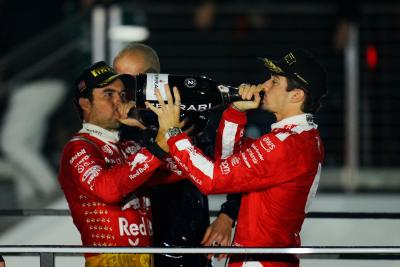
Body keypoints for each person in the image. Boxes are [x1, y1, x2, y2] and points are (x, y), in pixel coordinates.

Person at [147, 48, 327, 267]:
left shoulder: (288, 144)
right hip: (260, 258)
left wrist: (173, 133)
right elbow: (227, 163)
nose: (264, 85)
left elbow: (212, 179)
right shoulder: (299, 138)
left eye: (275, 81)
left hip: (259, 261)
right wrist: (235, 112)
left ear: (297, 95)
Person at [113, 43, 241, 266]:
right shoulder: (114, 125)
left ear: (154, 79)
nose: (123, 89)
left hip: (187, 250)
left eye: (131, 80)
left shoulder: (191, 116)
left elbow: (235, 168)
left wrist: (227, 217)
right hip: (133, 251)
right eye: (118, 79)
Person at [58, 61, 181, 267]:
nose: (119, 101)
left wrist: (149, 127)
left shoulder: (129, 145)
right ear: (85, 103)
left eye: (122, 95)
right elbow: (108, 189)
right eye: (108, 94)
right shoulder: (78, 148)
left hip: (145, 261)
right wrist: (159, 143)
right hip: (107, 262)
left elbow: (184, 168)